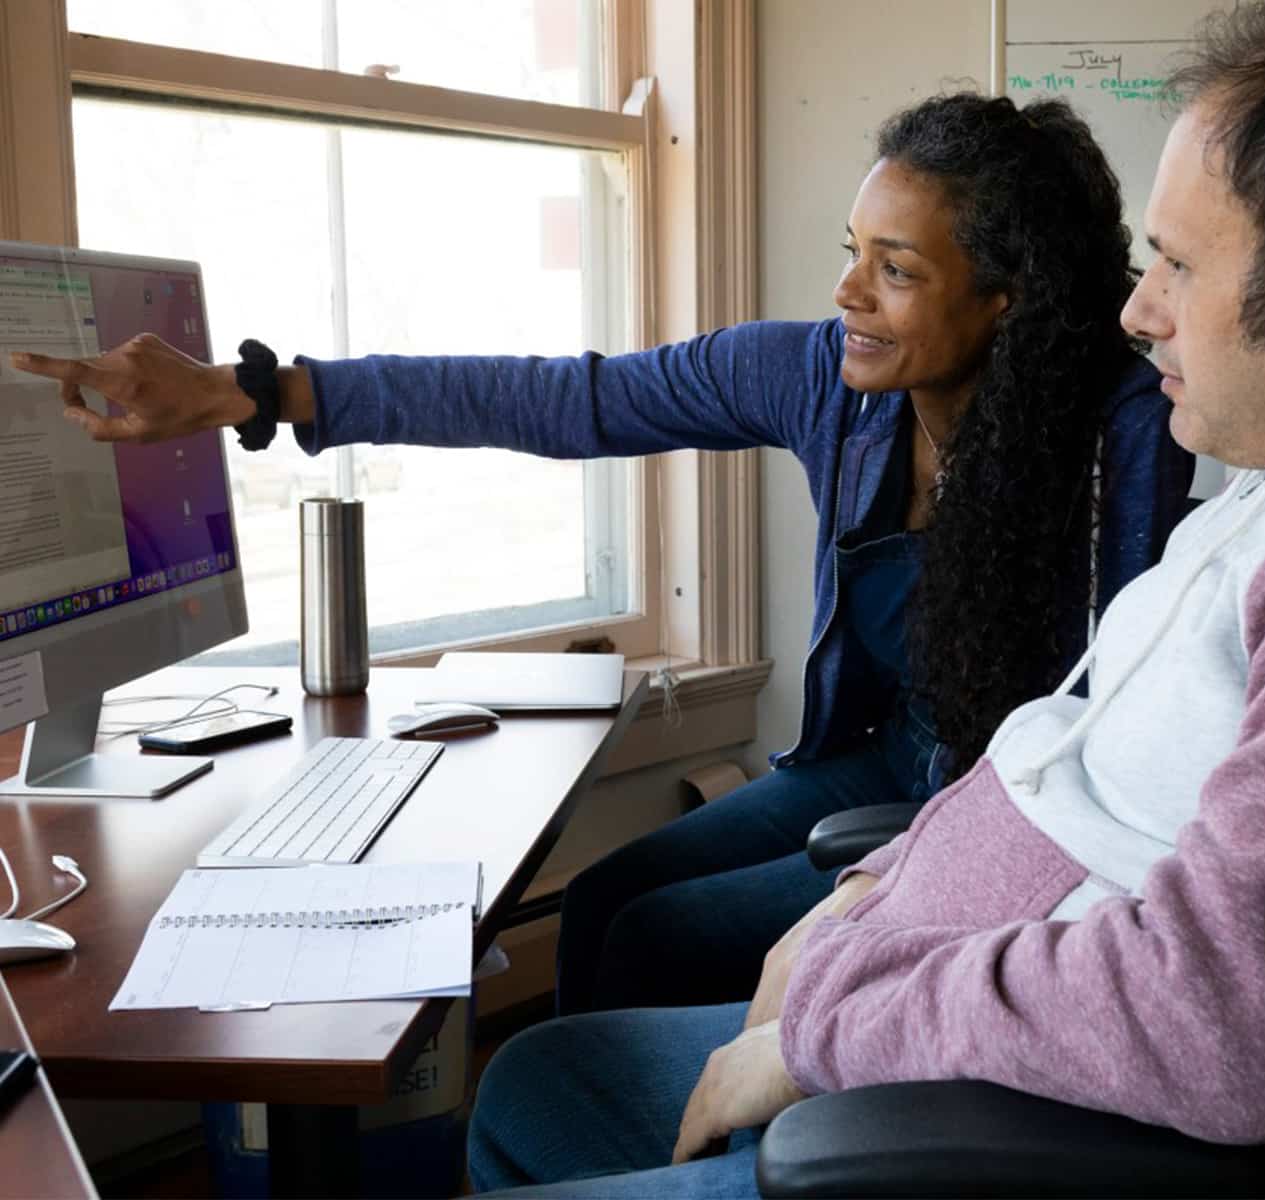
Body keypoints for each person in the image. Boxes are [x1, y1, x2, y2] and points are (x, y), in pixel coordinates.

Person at [456, 1, 1265, 1196]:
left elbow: (1219, 1018)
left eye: (1177, 262)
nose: (1140, 306)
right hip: (944, 1025)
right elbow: (1066, 759)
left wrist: (825, 1026)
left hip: (1053, 1146)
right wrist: (868, 895)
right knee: (542, 1086)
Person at [12, 94, 1192, 1016]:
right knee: (610, 898)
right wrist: (248, 392)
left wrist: (920, 876)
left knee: (657, 937)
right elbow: (572, 402)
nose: (846, 292)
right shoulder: (819, 380)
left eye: (896, 269)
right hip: (871, 760)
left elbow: (1115, 747)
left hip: (998, 804)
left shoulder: (1127, 435)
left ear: (1005, 300)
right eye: (852, 251)